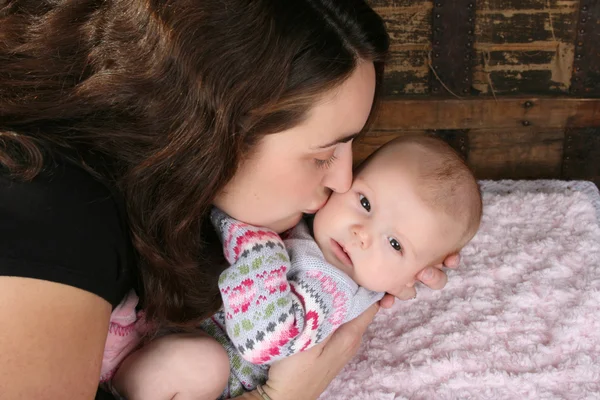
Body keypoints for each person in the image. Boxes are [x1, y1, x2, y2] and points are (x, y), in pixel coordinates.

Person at [0, 1, 459, 399]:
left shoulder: (175, 195)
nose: (344, 181)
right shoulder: (51, 216)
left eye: (353, 145)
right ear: (213, 135)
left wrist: (399, 247)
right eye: (323, 155)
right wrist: (276, 397)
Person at [109, 135, 482, 400]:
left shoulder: (332, 287)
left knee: (200, 364)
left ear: (413, 276)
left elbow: (265, 337)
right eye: (365, 203)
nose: (362, 234)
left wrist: (259, 244)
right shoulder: (314, 228)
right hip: (161, 329)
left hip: (193, 373)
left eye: (396, 244)